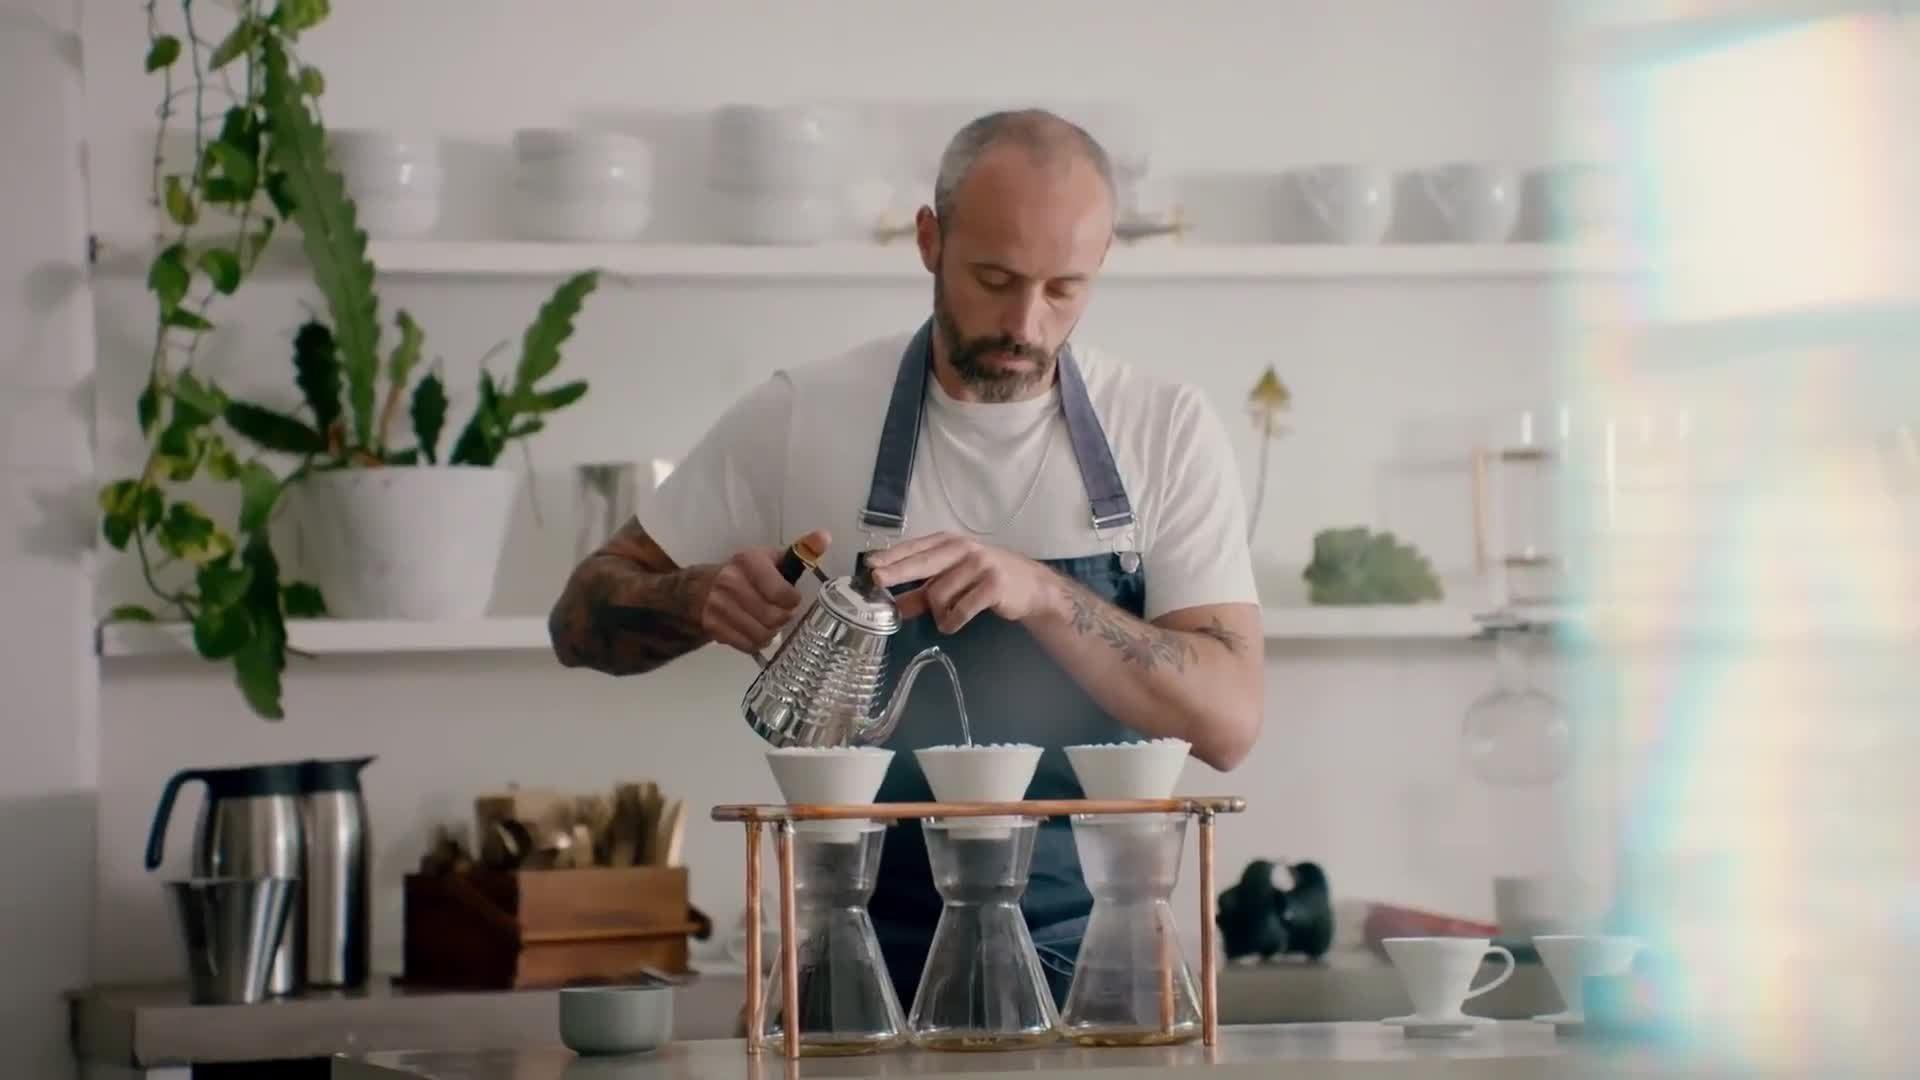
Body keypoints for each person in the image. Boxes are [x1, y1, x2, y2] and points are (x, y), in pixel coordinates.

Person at [547, 108, 1266, 1011]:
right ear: (931, 240)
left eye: (1063, 289)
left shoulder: (1164, 429)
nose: (1025, 322)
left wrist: (1047, 596)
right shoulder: (802, 416)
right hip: (850, 972)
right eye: (994, 278)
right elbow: (578, 619)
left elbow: (1230, 724)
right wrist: (692, 598)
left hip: (1106, 973)